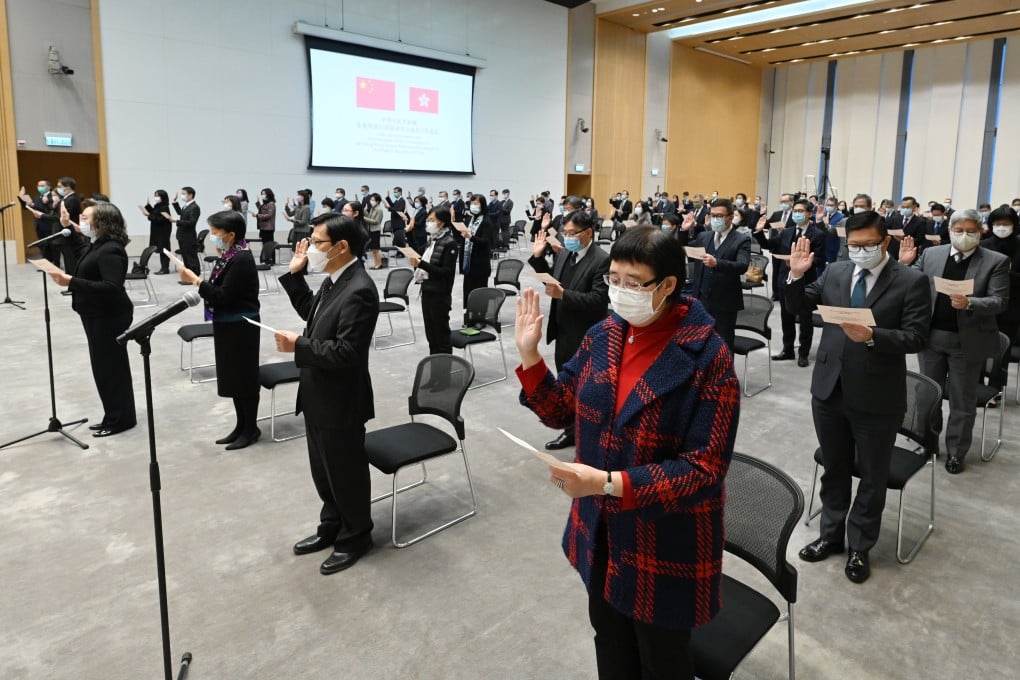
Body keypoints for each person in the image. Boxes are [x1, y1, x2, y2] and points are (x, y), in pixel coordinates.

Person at [514, 226, 739, 679]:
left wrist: (609, 483)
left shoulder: (708, 357)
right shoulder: (605, 335)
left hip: (663, 538)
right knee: (610, 642)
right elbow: (562, 410)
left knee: (661, 658)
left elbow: (704, 468)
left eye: (632, 284)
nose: (618, 292)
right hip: (602, 531)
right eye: (613, 280)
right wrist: (531, 357)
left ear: (668, 286)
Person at [786, 211, 931, 584]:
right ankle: (830, 536)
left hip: (877, 395)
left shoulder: (910, 281)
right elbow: (800, 306)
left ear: (885, 242)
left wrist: (872, 336)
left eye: (868, 245)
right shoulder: (836, 272)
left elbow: (916, 337)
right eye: (853, 245)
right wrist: (797, 276)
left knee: (871, 474)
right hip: (829, 388)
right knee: (834, 468)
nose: (860, 252)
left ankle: (860, 546)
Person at [275, 214, 379, 575]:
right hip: (318, 393)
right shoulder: (334, 281)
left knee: (345, 472)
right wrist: (294, 275)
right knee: (324, 471)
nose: (311, 248)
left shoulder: (360, 289)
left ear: (341, 247)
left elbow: (348, 352)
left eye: (317, 243)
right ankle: (331, 526)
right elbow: (313, 315)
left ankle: (356, 535)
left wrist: (298, 346)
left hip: (341, 399)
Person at [898, 209, 1010, 474]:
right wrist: (904, 265)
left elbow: (1000, 300)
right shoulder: (932, 254)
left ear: (981, 231)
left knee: (962, 399)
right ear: (949, 230)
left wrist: (970, 302)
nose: (964, 236)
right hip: (931, 337)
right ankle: (927, 443)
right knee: (928, 394)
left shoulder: (996, 261)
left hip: (967, 341)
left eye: (971, 231)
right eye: (959, 230)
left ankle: (957, 452)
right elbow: (911, 283)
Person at [48, 201, 136, 437]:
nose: (82, 222)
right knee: (104, 367)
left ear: (101, 221)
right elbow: (79, 252)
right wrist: (66, 226)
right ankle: (114, 414)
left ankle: (121, 419)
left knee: (110, 369)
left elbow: (111, 287)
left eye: (86, 218)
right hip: (95, 314)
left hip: (110, 317)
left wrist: (71, 282)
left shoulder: (111, 250)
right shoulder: (97, 244)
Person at [178, 210, 261, 450]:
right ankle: (241, 425)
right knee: (233, 377)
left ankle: (250, 428)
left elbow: (222, 295)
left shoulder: (241, 258)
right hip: (227, 324)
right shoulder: (230, 254)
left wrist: (195, 280)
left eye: (215, 233)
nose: (212, 237)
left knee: (244, 378)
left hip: (241, 325)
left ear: (231, 234)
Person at [528, 210, 610, 450]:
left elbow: (598, 300)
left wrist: (564, 294)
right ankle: (570, 430)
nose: (567, 237)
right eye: (565, 233)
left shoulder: (601, 260)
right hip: (563, 329)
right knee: (564, 383)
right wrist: (538, 258)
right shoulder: (565, 254)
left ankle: (588, 432)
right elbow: (553, 283)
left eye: (572, 233)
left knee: (586, 387)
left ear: (588, 233)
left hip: (585, 333)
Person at [755, 198, 825, 366]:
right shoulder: (787, 232)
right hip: (786, 279)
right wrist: (758, 232)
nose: (797, 214)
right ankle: (787, 349)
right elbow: (769, 245)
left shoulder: (817, 234)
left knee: (804, 319)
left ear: (809, 213)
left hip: (806, 281)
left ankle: (803, 353)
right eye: (795, 211)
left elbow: (821, 259)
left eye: (801, 211)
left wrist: (802, 264)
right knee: (786, 317)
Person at [686, 199, 751, 348]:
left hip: (725, 301)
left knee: (723, 343)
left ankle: (725, 371)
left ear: (730, 217)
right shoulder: (704, 236)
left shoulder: (741, 239)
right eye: (713, 215)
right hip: (702, 298)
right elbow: (689, 252)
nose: (715, 219)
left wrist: (717, 263)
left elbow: (742, 265)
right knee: (700, 341)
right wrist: (684, 232)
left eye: (719, 216)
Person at [408, 207, 459, 354]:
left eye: (432, 220)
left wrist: (421, 264)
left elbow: (446, 272)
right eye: (428, 220)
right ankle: (435, 365)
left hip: (440, 294)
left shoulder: (449, 243)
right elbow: (419, 253)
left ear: (442, 222)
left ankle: (444, 368)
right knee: (431, 334)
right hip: (427, 290)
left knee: (441, 335)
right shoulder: (433, 240)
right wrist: (409, 234)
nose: (428, 223)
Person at [983, 206, 1020, 343]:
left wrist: (1005, 274)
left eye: (1006, 224)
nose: (1001, 227)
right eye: (997, 224)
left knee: (1004, 344)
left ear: (1014, 225)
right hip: (986, 302)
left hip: (1013, 303)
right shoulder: (983, 245)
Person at [455, 194, 496, 316]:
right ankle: (470, 314)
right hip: (469, 262)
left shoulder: (486, 221)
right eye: (472, 203)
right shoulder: (470, 220)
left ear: (482, 205)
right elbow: (465, 240)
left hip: (480, 263)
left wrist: (471, 237)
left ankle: (481, 316)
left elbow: (486, 242)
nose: (473, 206)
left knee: (479, 290)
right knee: (468, 289)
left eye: (476, 204)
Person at [19, 180, 60, 265]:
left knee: (53, 246)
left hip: (50, 224)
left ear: (48, 187)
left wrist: (34, 205)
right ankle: (46, 263)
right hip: (39, 224)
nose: (40, 187)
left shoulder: (52, 196)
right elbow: (28, 207)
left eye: (42, 185)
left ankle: (56, 264)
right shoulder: (37, 197)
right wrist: (22, 199)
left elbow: (48, 209)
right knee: (43, 245)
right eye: (38, 185)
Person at [170, 186, 202, 279]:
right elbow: (181, 213)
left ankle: (195, 276)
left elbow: (192, 222)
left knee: (191, 257)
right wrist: (175, 202)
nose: (182, 196)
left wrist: (176, 221)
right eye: (181, 194)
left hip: (189, 236)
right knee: (185, 257)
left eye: (184, 194)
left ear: (190, 195)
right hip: (182, 235)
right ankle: (189, 276)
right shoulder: (187, 205)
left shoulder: (195, 207)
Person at [140, 190, 173, 274]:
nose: (156, 197)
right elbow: (155, 213)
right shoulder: (158, 205)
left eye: (158, 196)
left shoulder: (164, 207)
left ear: (163, 197)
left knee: (164, 249)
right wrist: (148, 206)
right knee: (160, 248)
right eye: (155, 195)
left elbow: (160, 219)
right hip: (157, 231)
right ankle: (164, 268)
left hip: (163, 231)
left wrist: (148, 215)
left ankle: (165, 268)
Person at [56, 177, 83, 272]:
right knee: (67, 258)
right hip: (66, 231)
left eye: (60, 186)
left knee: (70, 258)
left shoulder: (72, 199)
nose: (58, 189)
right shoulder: (66, 198)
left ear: (67, 187)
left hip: (70, 232)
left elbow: (67, 217)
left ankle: (72, 279)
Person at [252, 188, 277, 264]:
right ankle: (266, 259)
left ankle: (271, 260)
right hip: (263, 227)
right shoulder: (265, 204)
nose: (263, 195)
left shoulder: (271, 204)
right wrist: (257, 203)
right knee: (264, 244)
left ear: (269, 195)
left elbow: (269, 215)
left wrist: (257, 215)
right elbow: (262, 210)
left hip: (268, 228)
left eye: (264, 194)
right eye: (262, 194)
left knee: (269, 245)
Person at [364, 192, 385, 269]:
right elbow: (369, 217)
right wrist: (364, 211)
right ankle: (376, 263)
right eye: (371, 200)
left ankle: (379, 264)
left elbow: (376, 221)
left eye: (373, 200)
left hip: (375, 231)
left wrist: (364, 218)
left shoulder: (379, 209)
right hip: (370, 230)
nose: (371, 201)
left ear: (377, 201)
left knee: (376, 249)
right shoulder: (373, 208)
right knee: (373, 249)